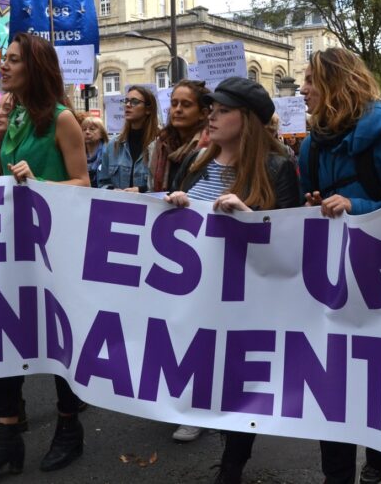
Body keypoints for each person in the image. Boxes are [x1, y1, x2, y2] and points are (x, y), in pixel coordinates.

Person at [0, 33, 90, 480]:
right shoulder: (13, 117)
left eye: (13, 60)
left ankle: (69, 428)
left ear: (35, 67)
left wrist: (39, 183)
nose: (4, 66)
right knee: (6, 334)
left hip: (53, 250)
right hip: (13, 248)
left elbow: (83, 184)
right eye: (5, 58)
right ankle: (7, 436)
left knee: (57, 340)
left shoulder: (63, 120)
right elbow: (7, 181)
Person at [162, 76, 301, 481]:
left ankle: (232, 465)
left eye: (223, 111)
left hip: (245, 299)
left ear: (248, 120)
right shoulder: (194, 161)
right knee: (203, 370)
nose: (212, 116)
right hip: (197, 295)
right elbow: (173, 217)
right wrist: (176, 204)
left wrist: (249, 217)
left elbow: (290, 240)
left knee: (240, 383)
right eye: (212, 109)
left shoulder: (276, 168)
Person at [296, 47, 381, 484]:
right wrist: (313, 204)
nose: (303, 89)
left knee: (380, 379)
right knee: (334, 386)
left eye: (311, 80)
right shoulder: (310, 145)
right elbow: (309, 203)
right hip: (335, 282)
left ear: (335, 84)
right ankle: (337, 476)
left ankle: (379, 457)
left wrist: (355, 206)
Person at [148, 79, 211, 192]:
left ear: (203, 113)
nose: (178, 109)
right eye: (174, 104)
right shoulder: (161, 145)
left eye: (186, 105)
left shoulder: (210, 148)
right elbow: (151, 188)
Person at [98, 85, 158, 192]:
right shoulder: (113, 145)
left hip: (146, 202)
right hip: (118, 202)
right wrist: (112, 190)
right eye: (126, 101)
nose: (128, 105)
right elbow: (102, 183)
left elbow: (164, 187)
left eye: (134, 102)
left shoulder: (159, 145)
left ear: (148, 109)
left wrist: (140, 190)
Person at [82, 116, 107, 187]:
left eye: (92, 129)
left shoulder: (109, 153)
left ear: (102, 133)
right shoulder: (77, 154)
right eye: (84, 129)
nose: (87, 132)